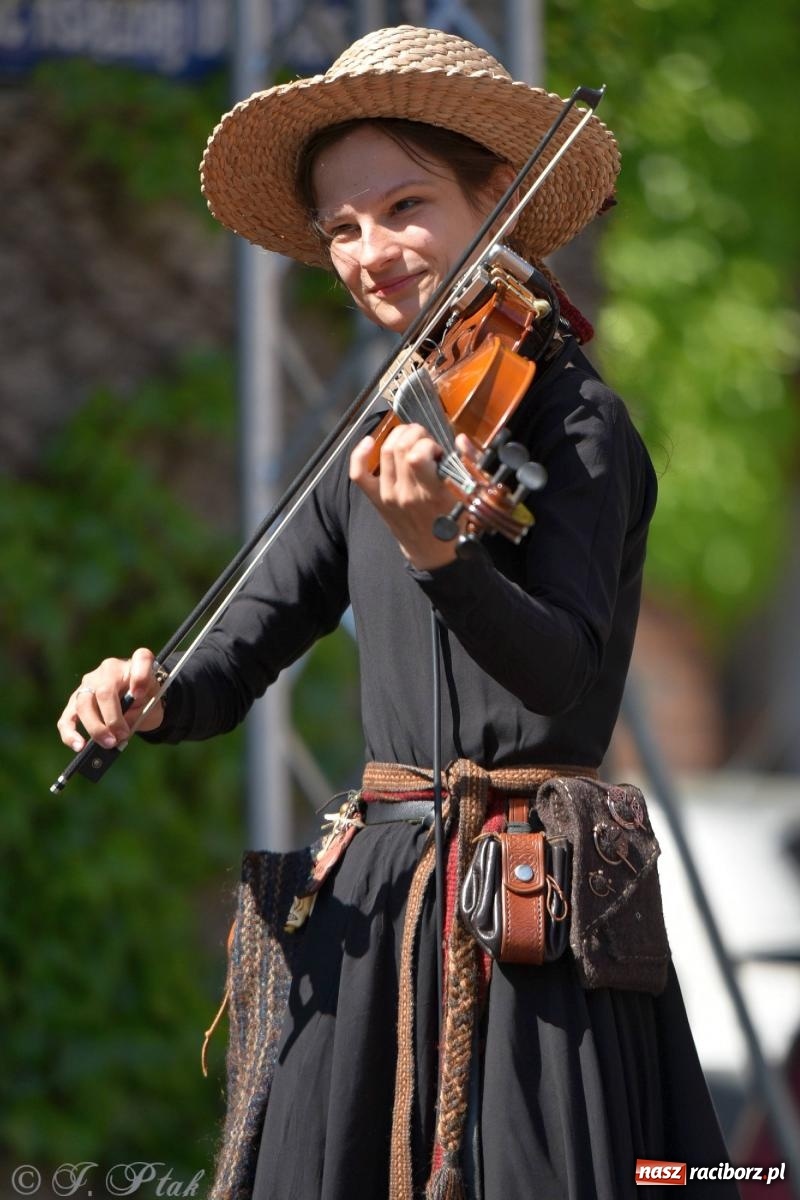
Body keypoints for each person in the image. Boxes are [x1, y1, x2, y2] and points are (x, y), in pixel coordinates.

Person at [57, 24, 739, 1200]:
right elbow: (237, 655)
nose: (370, 251)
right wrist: (150, 698)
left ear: (496, 199)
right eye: (340, 229)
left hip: (532, 909)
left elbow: (562, 674)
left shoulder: (572, 422)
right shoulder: (379, 436)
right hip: (377, 898)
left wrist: (441, 556)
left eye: (405, 205)